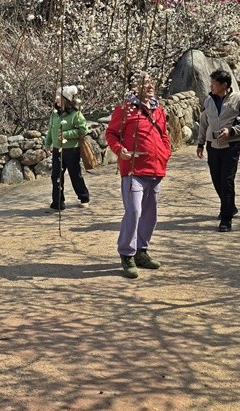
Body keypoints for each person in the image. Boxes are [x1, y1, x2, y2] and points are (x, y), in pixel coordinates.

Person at [105, 73, 172, 279]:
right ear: (134, 87)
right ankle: (126, 253)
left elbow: (163, 134)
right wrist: (120, 149)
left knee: (150, 215)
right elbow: (111, 133)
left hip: (155, 168)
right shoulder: (125, 109)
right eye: (144, 83)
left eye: (151, 82)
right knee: (133, 211)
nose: (150, 85)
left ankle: (142, 250)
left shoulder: (157, 109)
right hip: (134, 168)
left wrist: (165, 152)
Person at [196, 70, 240, 232]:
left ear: (224, 85)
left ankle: (226, 218)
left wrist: (232, 131)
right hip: (212, 145)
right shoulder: (208, 101)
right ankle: (230, 206)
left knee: (226, 180)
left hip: (231, 146)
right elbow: (203, 123)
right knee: (216, 179)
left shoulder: (239, 101)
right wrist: (200, 144)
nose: (211, 86)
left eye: (214, 83)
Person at [42, 85, 90, 210]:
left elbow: (83, 130)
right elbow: (50, 130)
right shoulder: (54, 114)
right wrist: (47, 144)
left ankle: (84, 196)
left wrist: (66, 134)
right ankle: (58, 202)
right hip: (58, 149)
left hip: (72, 149)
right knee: (56, 176)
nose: (56, 99)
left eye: (59, 97)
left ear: (66, 100)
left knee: (75, 174)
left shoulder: (76, 114)